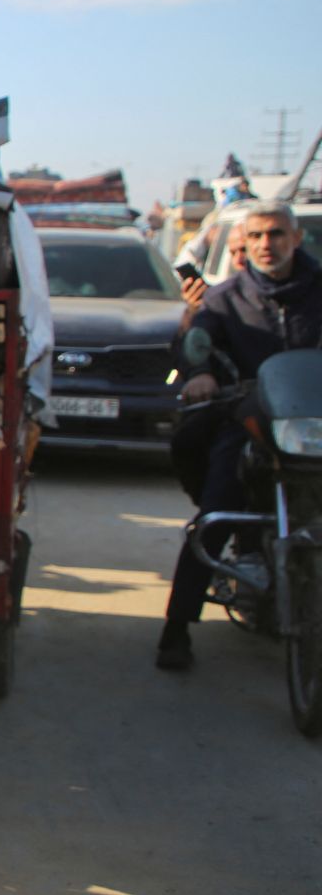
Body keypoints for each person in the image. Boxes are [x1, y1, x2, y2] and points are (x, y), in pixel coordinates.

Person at [159, 201, 322, 670]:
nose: (266, 245)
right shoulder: (226, 297)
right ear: (245, 244)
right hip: (250, 418)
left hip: (313, 423)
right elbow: (195, 342)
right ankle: (176, 629)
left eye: (275, 235)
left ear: (296, 239)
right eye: (256, 237)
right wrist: (199, 371)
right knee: (216, 514)